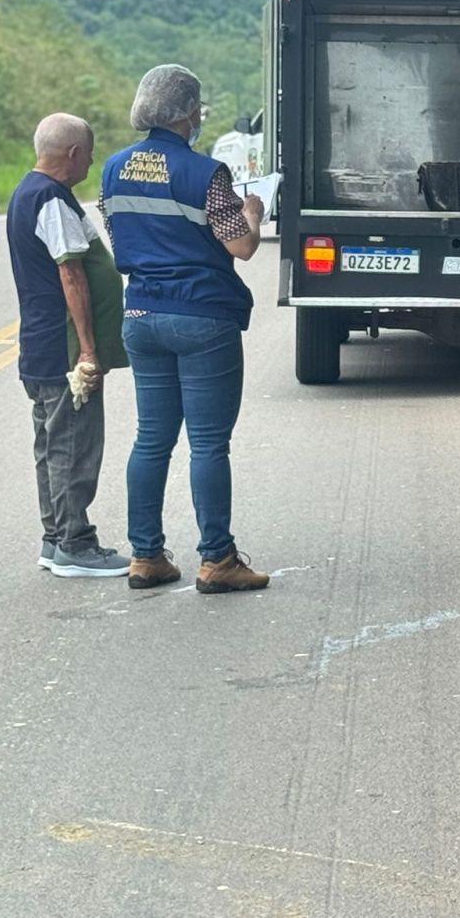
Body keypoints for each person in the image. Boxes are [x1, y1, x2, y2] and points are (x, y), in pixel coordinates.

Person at [99, 65, 270, 594]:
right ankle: (218, 560)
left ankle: (146, 557)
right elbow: (240, 245)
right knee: (208, 444)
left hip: (142, 315)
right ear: (187, 112)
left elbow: (117, 231)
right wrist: (253, 213)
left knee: (151, 438)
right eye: (197, 110)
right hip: (201, 316)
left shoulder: (112, 169)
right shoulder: (206, 173)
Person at [6, 113, 129, 578]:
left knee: (52, 444)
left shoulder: (26, 191)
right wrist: (89, 351)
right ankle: (75, 544)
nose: (92, 160)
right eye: (90, 152)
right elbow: (71, 272)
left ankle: (55, 538)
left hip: (39, 345)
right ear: (74, 153)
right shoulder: (51, 200)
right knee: (73, 445)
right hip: (61, 349)